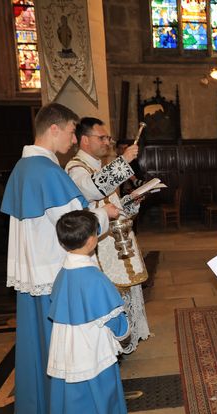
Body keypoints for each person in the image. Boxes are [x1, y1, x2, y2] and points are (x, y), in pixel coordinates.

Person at [0, 103, 118, 414]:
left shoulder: (22, 169)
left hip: (31, 273)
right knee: (69, 355)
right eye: (70, 131)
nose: (72, 138)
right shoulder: (47, 172)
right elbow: (72, 225)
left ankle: (41, 405)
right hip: (54, 275)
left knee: (39, 347)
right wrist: (104, 215)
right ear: (54, 128)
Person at [46, 210, 132, 414]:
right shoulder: (95, 279)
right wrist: (123, 335)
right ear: (93, 240)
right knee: (101, 405)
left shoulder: (62, 274)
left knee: (74, 409)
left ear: (63, 242)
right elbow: (117, 324)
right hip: (93, 354)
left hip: (65, 354)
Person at [67, 118, 150, 354]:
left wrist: (131, 201)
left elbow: (112, 205)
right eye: (101, 138)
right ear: (85, 140)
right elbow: (91, 189)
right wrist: (124, 161)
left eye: (107, 138)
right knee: (112, 297)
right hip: (99, 245)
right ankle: (114, 343)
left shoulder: (99, 166)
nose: (107, 142)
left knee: (126, 292)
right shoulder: (76, 168)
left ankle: (125, 339)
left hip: (116, 240)